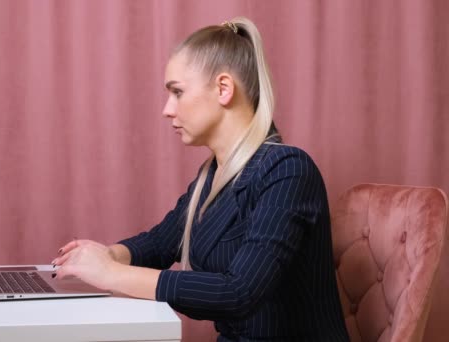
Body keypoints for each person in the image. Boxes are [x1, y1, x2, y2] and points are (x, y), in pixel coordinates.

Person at [51, 17, 349, 341]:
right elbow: (161, 243)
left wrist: (111, 273)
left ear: (223, 89)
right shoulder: (213, 176)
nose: (167, 109)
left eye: (177, 92)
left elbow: (238, 291)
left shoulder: (289, 170)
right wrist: (105, 255)